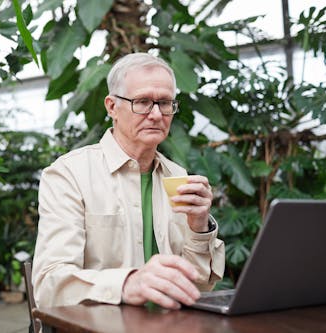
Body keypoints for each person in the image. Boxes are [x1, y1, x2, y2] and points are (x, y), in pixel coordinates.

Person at [32, 52, 225, 310]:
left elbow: (197, 286)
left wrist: (199, 227)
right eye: (143, 101)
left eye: (165, 102)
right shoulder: (69, 175)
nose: (156, 114)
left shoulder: (178, 177)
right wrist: (127, 283)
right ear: (112, 107)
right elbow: (49, 285)